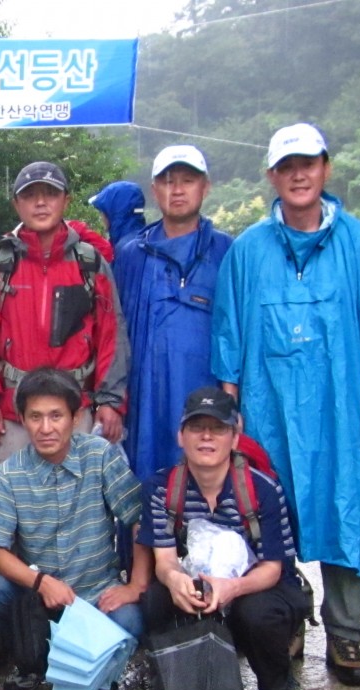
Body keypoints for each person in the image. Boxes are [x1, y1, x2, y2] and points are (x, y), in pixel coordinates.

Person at [212, 123, 360, 688]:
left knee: (345, 507)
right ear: (272, 177)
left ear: (326, 168)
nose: (298, 175)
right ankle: (286, 619)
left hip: (341, 409)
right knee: (269, 517)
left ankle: (346, 632)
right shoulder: (249, 250)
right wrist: (232, 412)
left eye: (307, 163)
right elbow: (230, 333)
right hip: (269, 410)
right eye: (287, 167)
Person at [138, 387, 308, 690]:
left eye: (217, 428)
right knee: (155, 601)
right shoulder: (161, 488)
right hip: (195, 577)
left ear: (234, 438)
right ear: (181, 436)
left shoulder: (263, 489)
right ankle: (175, 679)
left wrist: (232, 588)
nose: (206, 436)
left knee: (258, 613)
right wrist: (175, 581)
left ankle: (277, 687)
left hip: (254, 584)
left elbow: (272, 569)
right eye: (196, 427)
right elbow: (165, 560)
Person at [0, 368, 150, 690]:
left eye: (56, 416)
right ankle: (26, 652)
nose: (46, 428)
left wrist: (135, 585)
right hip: (36, 596)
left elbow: (139, 518)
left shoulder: (100, 455)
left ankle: (82, 661)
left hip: (96, 591)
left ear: (76, 417)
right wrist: (42, 582)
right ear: (22, 419)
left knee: (131, 622)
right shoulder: (9, 474)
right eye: (35, 417)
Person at [0, 162, 131, 486]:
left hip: (75, 410)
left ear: (66, 201)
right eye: (30, 195)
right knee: (10, 503)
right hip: (13, 414)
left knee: (78, 504)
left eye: (50, 194)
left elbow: (111, 334)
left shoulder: (89, 263)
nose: (41, 203)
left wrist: (111, 401)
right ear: (17, 204)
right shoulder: (0, 265)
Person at [114, 145, 233, 483]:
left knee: (206, 489)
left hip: (207, 398)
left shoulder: (228, 252)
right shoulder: (130, 254)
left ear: (205, 187)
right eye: (168, 181)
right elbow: (114, 332)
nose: (177, 190)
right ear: (155, 190)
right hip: (144, 400)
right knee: (145, 488)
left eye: (187, 181)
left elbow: (240, 335)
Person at [88, 180, 146, 250]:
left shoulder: (125, 248)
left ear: (113, 211)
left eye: (102, 211)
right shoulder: (146, 238)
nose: (101, 216)